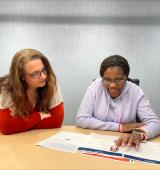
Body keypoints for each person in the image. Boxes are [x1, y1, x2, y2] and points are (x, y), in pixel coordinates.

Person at [76, 55, 160, 148]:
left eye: (118, 80)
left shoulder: (136, 91)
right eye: (107, 80)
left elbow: (155, 123)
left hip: (125, 143)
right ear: (102, 78)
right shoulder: (95, 87)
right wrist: (119, 127)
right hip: (97, 142)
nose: (112, 85)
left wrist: (139, 134)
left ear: (125, 77)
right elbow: (81, 119)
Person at [0, 48, 64, 135]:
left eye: (44, 70)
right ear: (21, 76)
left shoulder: (50, 81)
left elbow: (57, 121)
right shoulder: (7, 87)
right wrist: (39, 116)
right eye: (35, 74)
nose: (43, 77)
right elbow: (6, 127)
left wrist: (22, 122)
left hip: (37, 139)